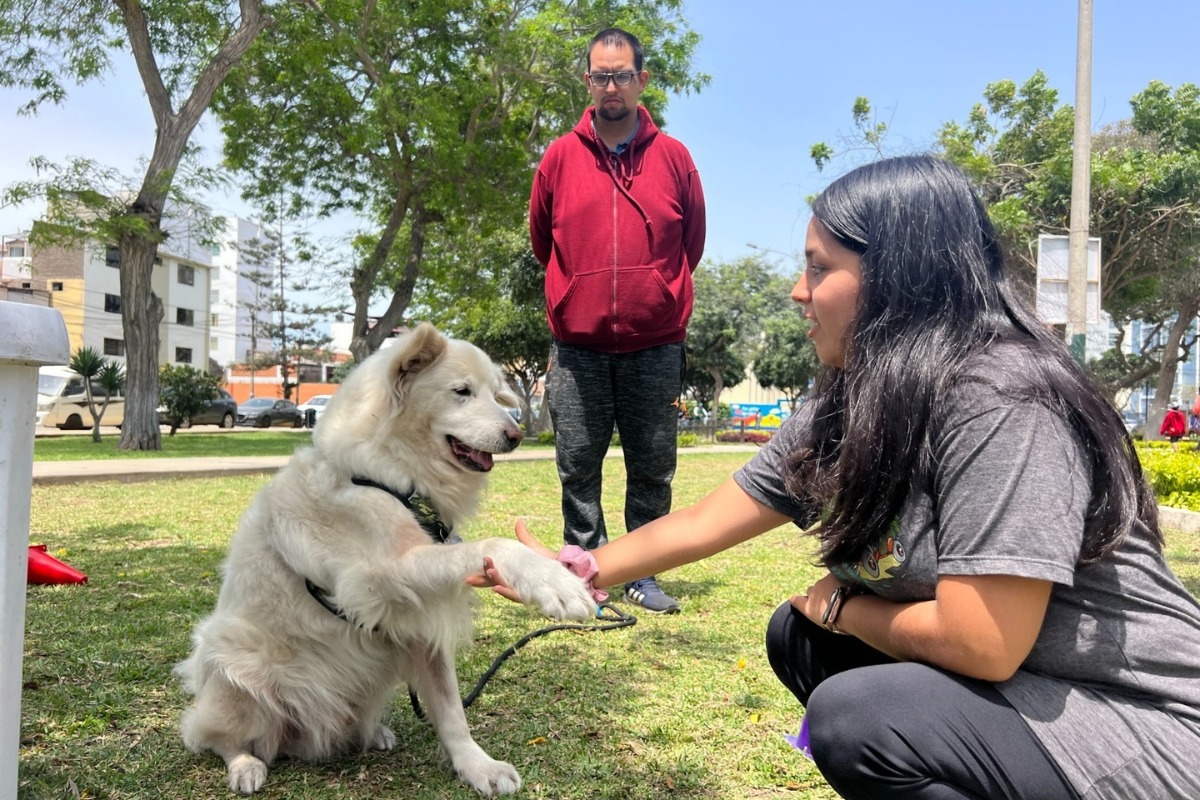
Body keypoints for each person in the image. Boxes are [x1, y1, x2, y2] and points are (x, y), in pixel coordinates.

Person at [481, 155, 1200, 799]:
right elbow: (707, 520)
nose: (798, 290)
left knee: (856, 717)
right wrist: (574, 569)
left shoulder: (1000, 396)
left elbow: (984, 640)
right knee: (799, 638)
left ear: (899, 280)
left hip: (1136, 721)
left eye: (820, 268)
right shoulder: (855, 393)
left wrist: (844, 609)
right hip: (1027, 693)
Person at [528, 27, 706, 614]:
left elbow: (692, 243)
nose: (612, 86)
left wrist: (652, 292)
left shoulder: (675, 158)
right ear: (587, 82)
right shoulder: (558, 156)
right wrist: (577, 292)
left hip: (655, 343)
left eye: (622, 74)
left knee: (651, 464)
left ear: (641, 80)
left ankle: (643, 571)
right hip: (577, 345)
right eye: (601, 75)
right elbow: (542, 240)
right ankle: (584, 569)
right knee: (577, 463)